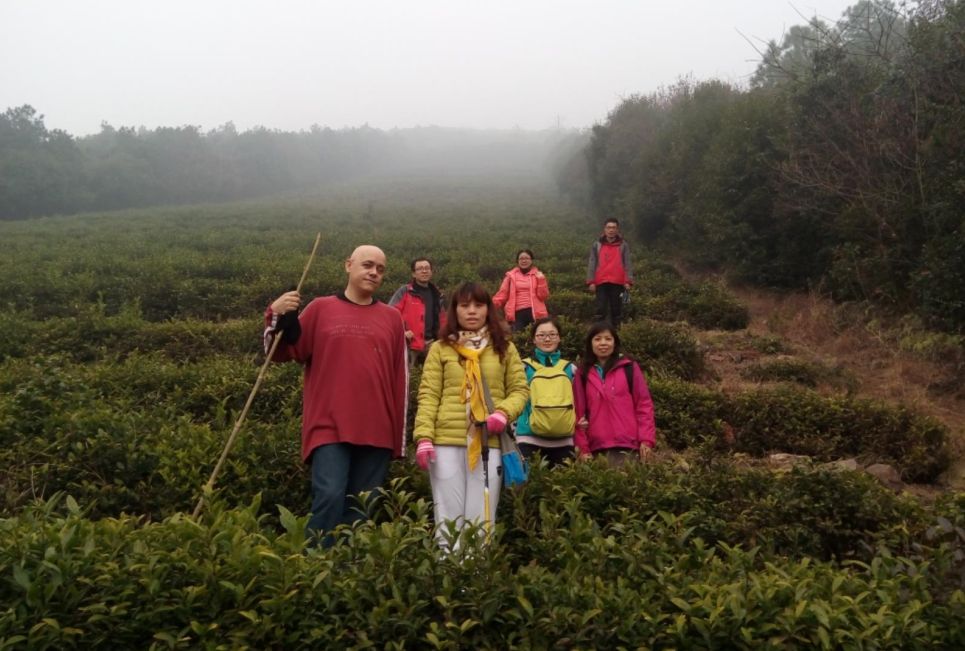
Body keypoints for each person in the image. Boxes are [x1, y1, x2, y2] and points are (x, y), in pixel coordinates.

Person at [264, 245, 408, 545]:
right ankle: (317, 564)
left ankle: (348, 569)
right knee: (328, 496)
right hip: (328, 423)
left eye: (380, 269)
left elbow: (400, 379)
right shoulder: (320, 308)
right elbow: (285, 351)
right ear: (348, 265)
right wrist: (275, 314)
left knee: (362, 507)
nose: (374, 272)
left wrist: (398, 438)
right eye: (367, 265)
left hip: (377, 428)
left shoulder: (393, 318)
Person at [413, 282, 528, 549]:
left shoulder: (504, 347)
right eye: (465, 305)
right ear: (455, 310)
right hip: (445, 443)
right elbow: (429, 395)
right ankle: (449, 569)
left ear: (488, 309)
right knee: (448, 518)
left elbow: (520, 390)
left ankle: (476, 572)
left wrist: (503, 413)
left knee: (482, 518)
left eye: (478, 305)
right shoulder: (441, 348)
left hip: (488, 441)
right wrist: (424, 437)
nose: (472, 311)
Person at [573, 322, 655, 467]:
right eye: (597, 339)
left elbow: (644, 405)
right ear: (590, 343)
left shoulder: (629, 367)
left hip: (629, 446)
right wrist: (582, 449)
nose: (603, 343)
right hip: (596, 448)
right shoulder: (582, 373)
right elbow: (578, 414)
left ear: (615, 342)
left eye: (608, 339)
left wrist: (646, 440)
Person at [514, 317, 577, 468]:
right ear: (533, 340)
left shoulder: (571, 369)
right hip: (528, 439)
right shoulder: (523, 367)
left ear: (559, 338)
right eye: (541, 335)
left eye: (552, 335)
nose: (547, 339)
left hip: (564, 440)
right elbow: (514, 398)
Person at [388, 257, 445, 367]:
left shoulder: (437, 294)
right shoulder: (405, 291)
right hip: (410, 344)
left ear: (431, 272)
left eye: (427, 268)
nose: (424, 271)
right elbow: (390, 314)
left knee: (433, 374)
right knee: (407, 374)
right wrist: (402, 332)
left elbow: (442, 318)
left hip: (432, 343)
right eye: (420, 269)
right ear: (413, 274)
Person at [587, 218, 633, 328]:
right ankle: (598, 331)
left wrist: (628, 281)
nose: (611, 230)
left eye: (613, 227)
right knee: (600, 308)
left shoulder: (623, 245)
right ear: (604, 229)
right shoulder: (597, 245)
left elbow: (627, 263)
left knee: (616, 309)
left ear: (617, 229)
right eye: (609, 227)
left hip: (617, 282)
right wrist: (591, 281)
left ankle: (616, 331)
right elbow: (592, 263)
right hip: (601, 281)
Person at [493, 249, 550, 333]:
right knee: (517, 336)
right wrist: (490, 305)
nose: (524, 261)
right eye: (521, 259)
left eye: (527, 258)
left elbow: (543, 296)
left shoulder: (538, 275)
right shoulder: (510, 276)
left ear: (531, 260)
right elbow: (502, 294)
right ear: (517, 261)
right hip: (517, 314)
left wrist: (541, 280)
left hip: (535, 313)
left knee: (538, 336)